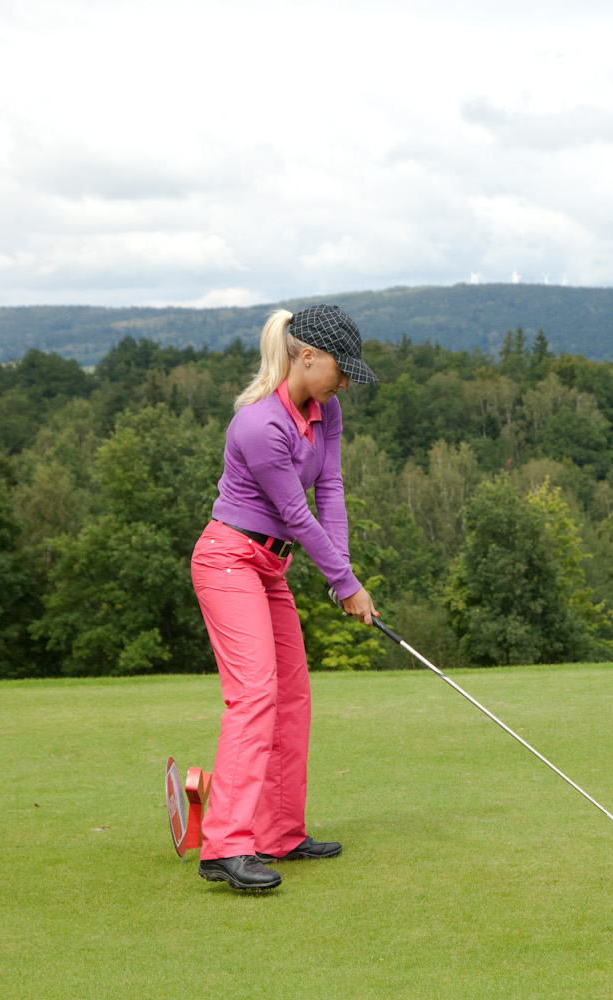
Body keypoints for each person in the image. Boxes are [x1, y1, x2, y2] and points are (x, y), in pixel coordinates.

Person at [190, 304, 380, 892]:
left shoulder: (327, 411)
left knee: (292, 695)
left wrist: (340, 571)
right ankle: (225, 846)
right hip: (227, 561)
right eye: (341, 370)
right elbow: (296, 514)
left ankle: (278, 832)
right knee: (254, 694)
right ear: (308, 357)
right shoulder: (258, 424)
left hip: (271, 568)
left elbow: (330, 488)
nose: (345, 382)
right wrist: (346, 585)